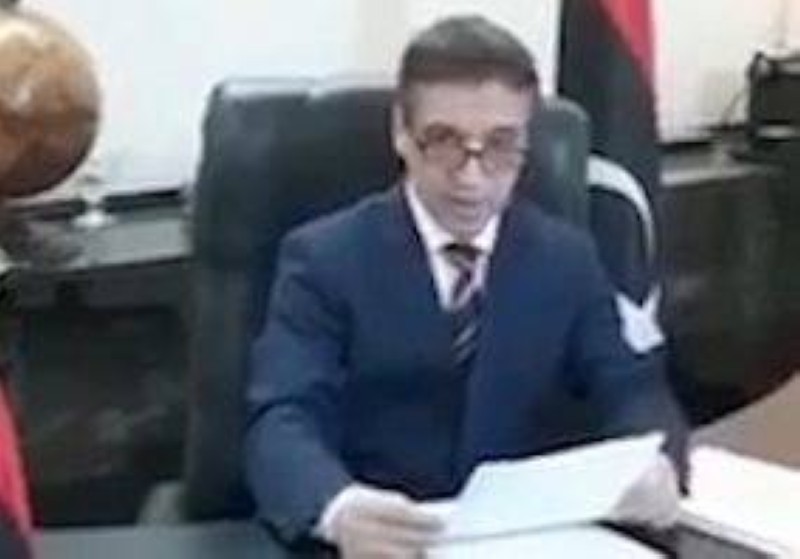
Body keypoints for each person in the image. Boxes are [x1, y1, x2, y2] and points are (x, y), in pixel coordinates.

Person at [245, 14, 687, 558]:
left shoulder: (566, 258)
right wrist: (337, 507)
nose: (471, 177)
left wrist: (657, 463)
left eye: (500, 145)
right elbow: (283, 417)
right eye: (443, 141)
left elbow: (631, 388)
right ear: (402, 133)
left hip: (527, 542)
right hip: (379, 542)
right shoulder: (324, 260)